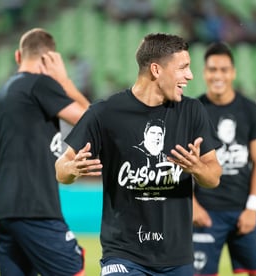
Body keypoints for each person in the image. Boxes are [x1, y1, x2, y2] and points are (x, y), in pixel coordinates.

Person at [55, 33, 222, 276]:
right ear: (156, 70)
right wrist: (70, 170)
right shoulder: (104, 113)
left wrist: (198, 168)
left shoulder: (192, 112)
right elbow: (62, 166)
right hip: (123, 254)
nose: (190, 76)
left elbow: (214, 176)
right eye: (183, 68)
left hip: (177, 257)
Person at [0, 28, 90, 276]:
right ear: (49, 59)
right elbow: (91, 120)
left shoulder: (3, 94)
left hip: (2, 210)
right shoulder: (39, 84)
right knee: (73, 270)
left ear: (17, 56)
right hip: (33, 206)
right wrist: (65, 81)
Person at [192, 42, 256, 276]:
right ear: (204, 73)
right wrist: (192, 206)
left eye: (224, 69)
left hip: (243, 211)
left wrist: (252, 209)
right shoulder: (193, 111)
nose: (218, 75)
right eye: (213, 69)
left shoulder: (251, 111)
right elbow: (179, 166)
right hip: (205, 213)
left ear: (233, 73)